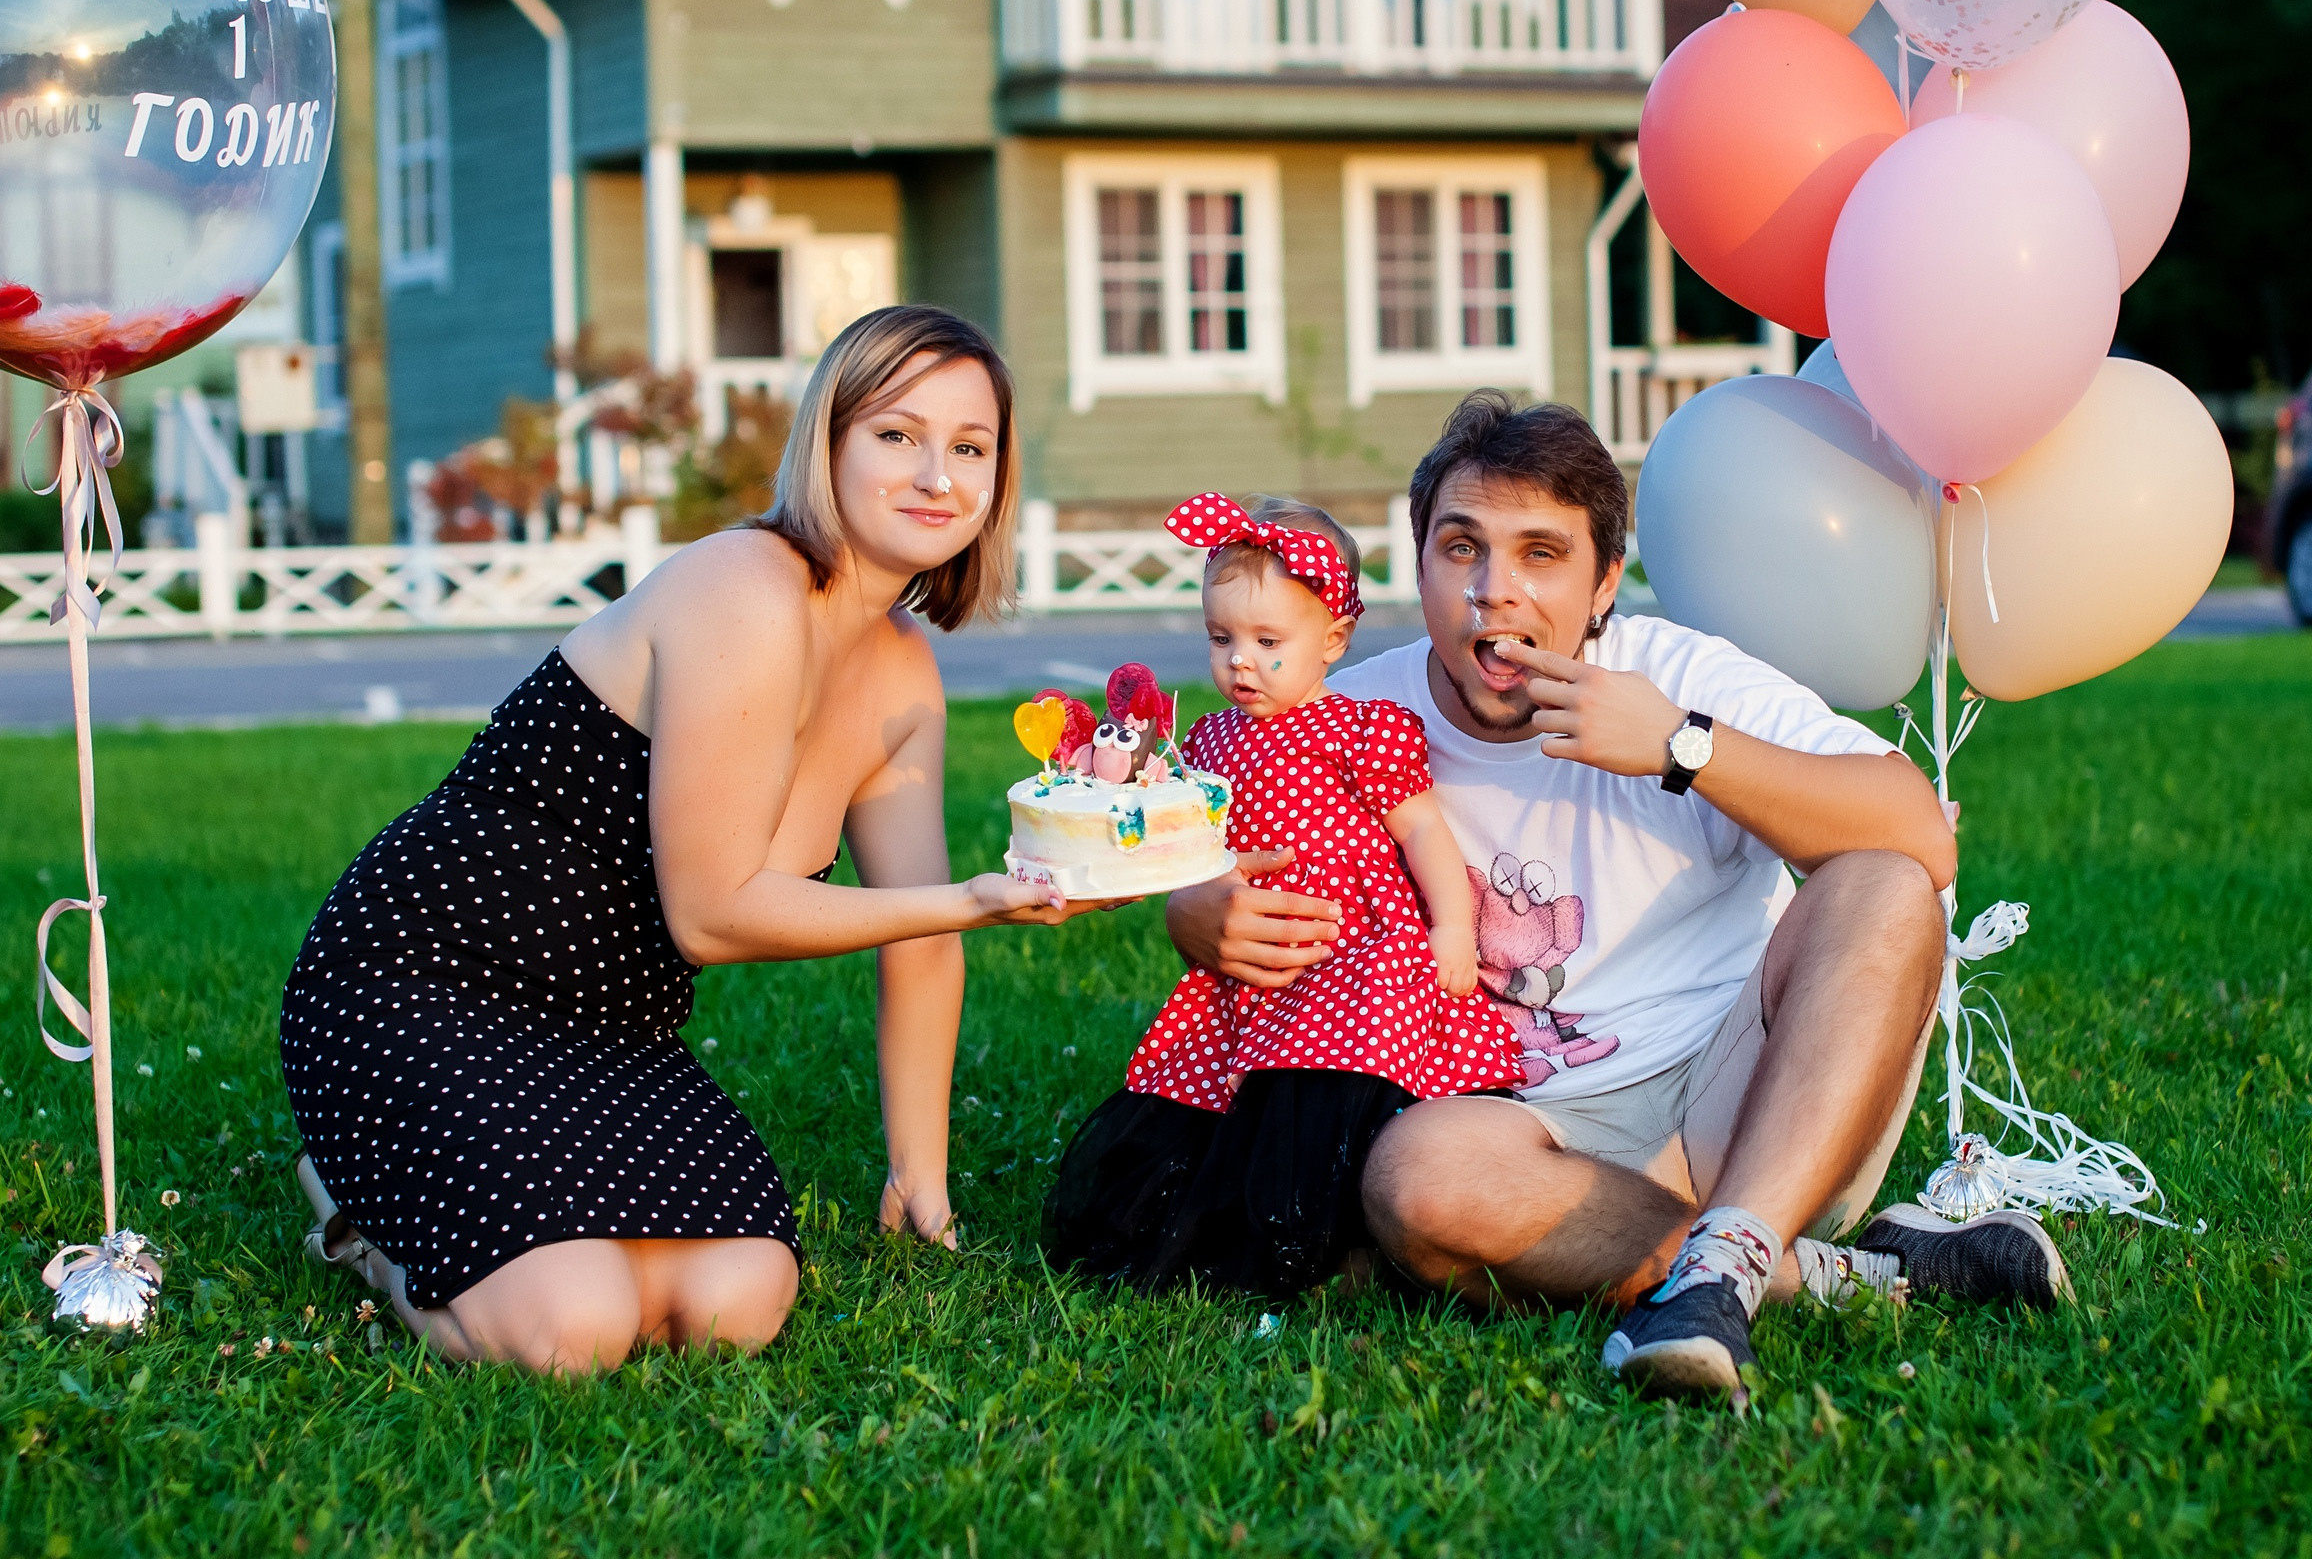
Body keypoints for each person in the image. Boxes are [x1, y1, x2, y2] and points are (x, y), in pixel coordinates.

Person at [1164, 393, 2071, 1405]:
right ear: (1417, 569)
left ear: (1603, 584)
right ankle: (1827, 1275)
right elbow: (1221, 858)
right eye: (1460, 548)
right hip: (1516, 1128)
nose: (1492, 593)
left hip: (1744, 1098)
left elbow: (1917, 834)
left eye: (1540, 554)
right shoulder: (1349, 715)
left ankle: (1730, 1247)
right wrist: (1191, 917)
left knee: (1882, 881)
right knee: (1412, 1184)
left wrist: (1685, 747)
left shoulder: (1676, 674)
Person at [278, 306, 1080, 1375]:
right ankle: (351, 1215)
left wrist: (918, 1180)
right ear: (828, 443)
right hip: (421, 983)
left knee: (736, 1297)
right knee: (573, 1328)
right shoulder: (745, 588)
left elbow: (921, 943)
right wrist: (976, 896)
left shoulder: (902, 674)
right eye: (895, 434)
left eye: (969, 447)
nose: (937, 472)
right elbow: (708, 914)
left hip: (614, 1032)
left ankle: (490, 1225)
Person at [1045, 492, 1520, 1298]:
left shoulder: (1362, 729)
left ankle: (1339, 1239)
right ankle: (1235, 1232)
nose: (1240, 661)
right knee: (1213, 1085)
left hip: (1354, 951)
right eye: (1221, 638)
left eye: (1269, 642)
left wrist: (1454, 932)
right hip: (1256, 959)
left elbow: (1423, 835)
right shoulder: (1209, 738)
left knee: (1329, 1090)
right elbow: (1197, 846)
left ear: (1332, 639)